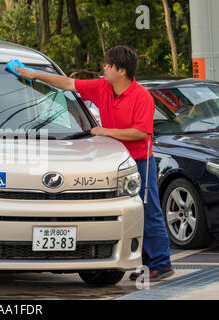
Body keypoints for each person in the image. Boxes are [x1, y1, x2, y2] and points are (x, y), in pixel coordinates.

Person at [15, 45, 174, 282]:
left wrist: (104, 131)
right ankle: (135, 262)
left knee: (147, 210)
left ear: (121, 70)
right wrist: (34, 75)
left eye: (108, 66)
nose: (104, 69)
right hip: (112, 160)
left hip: (140, 161)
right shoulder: (102, 87)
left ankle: (161, 264)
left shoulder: (141, 96)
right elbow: (68, 84)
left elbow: (141, 133)